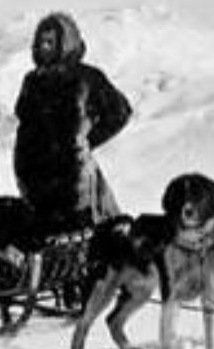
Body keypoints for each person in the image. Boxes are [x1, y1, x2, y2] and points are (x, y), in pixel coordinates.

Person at [12, 12, 132, 233]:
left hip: (75, 179)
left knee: (84, 237)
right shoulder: (32, 82)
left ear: (65, 43)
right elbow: (25, 126)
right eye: (41, 42)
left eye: (51, 42)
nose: (45, 47)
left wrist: (85, 141)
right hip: (36, 178)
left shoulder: (86, 78)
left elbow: (119, 112)